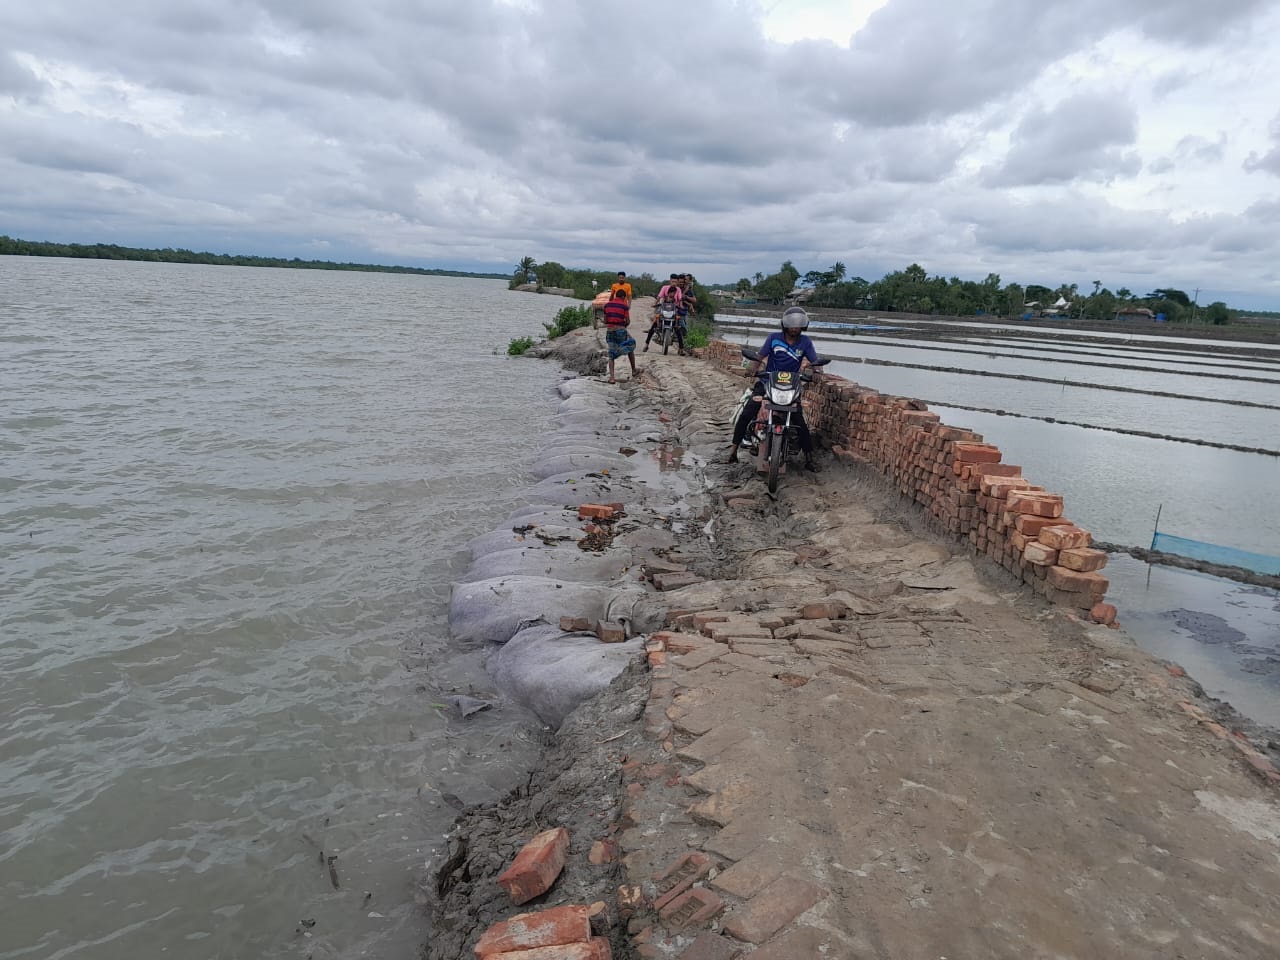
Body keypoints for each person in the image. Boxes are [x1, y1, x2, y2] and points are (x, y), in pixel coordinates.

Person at [729, 306, 820, 471]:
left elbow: (814, 361)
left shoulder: (805, 342)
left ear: (803, 326)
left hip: (791, 387)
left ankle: (809, 458)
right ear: (785, 325)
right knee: (748, 412)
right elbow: (759, 357)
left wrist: (818, 371)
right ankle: (733, 450)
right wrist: (752, 370)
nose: (794, 328)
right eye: (792, 325)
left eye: (798, 325)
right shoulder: (773, 338)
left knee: (800, 421)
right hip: (767, 383)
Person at [602, 288, 637, 383]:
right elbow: (628, 321)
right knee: (630, 346)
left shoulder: (607, 305)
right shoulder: (624, 306)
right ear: (623, 297)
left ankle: (612, 377)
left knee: (611, 354)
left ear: (615, 296)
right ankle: (633, 370)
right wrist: (623, 326)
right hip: (620, 330)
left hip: (610, 330)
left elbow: (605, 321)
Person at [645, 274, 684, 352]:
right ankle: (646, 344)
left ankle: (681, 348)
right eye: (673, 281)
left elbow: (680, 299)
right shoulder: (664, 288)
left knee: (677, 327)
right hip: (664, 309)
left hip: (673, 310)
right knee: (654, 325)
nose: (674, 283)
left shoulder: (678, 290)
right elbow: (659, 297)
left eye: (676, 282)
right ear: (670, 281)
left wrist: (681, 305)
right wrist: (655, 303)